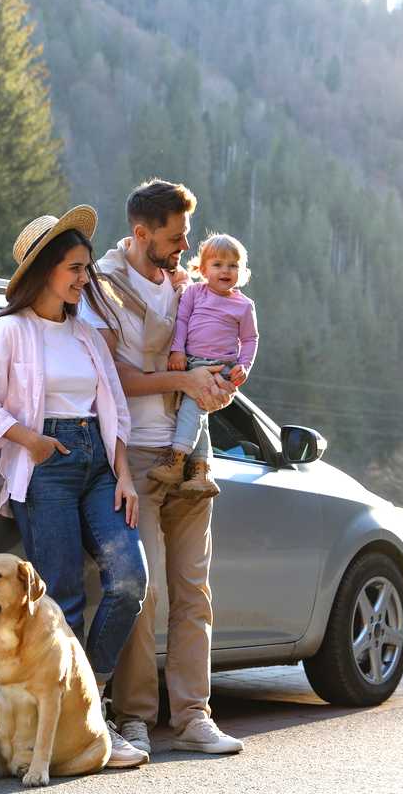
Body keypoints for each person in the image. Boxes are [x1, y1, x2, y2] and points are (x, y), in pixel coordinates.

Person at [0, 205, 149, 768]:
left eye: (87, 268)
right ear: (45, 270)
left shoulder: (89, 336)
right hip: (44, 464)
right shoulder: (9, 332)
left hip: (98, 461)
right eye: (74, 267)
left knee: (128, 582)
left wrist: (123, 472)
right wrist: (33, 441)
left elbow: (114, 406)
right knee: (61, 598)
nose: (83, 278)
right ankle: (86, 725)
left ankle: (84, 706)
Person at [78, 180, 243, 755]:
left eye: (187, 237)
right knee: (141, 594)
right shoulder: (101, 286)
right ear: (142, 233)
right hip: (135, 455)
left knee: (194, 590)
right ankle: (134, 717)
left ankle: (195, 715)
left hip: (192, 455)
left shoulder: (188, 283)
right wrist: (183, 379)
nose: (184, 248)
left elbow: (214, 345)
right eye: (175, 238)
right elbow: (109, 375)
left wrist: (219, 383)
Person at [151, 232, 259, 498]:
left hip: (218, 368)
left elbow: (250, 338)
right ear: (202, 269)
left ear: (242, 271)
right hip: (190, 363)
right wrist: (176, 351)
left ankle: (176, 460)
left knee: (192, 407)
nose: (226, 270)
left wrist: (243, 365)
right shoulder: (193, 294)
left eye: (233, 265)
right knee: (198, 415)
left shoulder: (244, 306)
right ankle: (201, 471)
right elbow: (182, 322)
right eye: (218, 264)